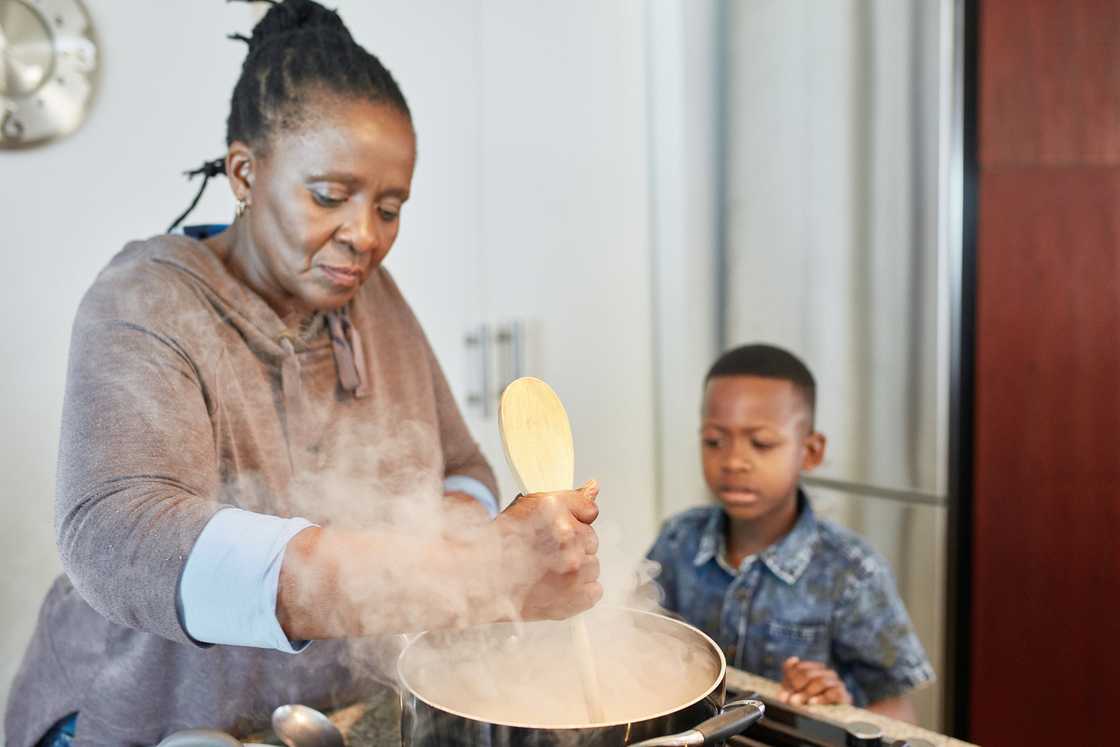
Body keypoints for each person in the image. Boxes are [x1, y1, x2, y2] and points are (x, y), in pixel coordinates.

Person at [5, 2, 601, 745]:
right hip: (143, 719)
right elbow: (117, 535)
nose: (364, 236)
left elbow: (463, 466)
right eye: (329, 197)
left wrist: (466, 542)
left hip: (323, 719)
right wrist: (457, 572)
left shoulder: (368, 296)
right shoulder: (146, 298)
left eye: (390, 207)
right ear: (245, 173)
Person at [645, 344, 933, 722]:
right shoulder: (678, 540)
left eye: (761, 443)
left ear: (810, 452)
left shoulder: (852, 573)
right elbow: (642, 637)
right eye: (714, 441)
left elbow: (897, 709)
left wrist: (840, 708)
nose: (733, 461)